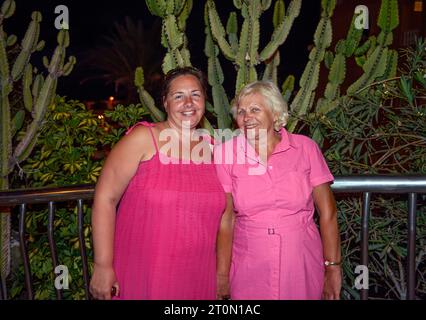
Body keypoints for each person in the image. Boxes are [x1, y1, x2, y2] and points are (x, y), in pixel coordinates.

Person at [89, 66, 227, 300]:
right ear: (165, 103)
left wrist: (222, 273)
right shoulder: (144, 138)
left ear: (205, 100)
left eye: (196, 94)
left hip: (199, 274)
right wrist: (102, 264)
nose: (188, 103)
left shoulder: (215, 150)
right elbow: (105, 197)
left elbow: (226, 217)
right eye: (178, 96)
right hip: (146, 272)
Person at [214, 80, 342, 300]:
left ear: (275, 114)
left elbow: (328, 213)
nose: (246, 117)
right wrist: (222, 274)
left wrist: (332, 267)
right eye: (241, 111)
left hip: (301, 257)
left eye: (255, 109)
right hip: (248, 261)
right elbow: (226, 219)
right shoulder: (225, 153)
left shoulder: (305, 148)